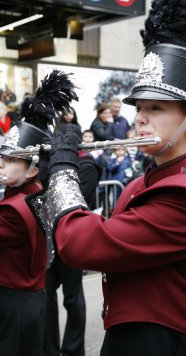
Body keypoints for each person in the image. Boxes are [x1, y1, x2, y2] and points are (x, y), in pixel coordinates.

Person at [27, 0, 186, 355]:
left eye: (156, 109)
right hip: (132, 334)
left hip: (159, 342)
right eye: (140, 109)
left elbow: (82, 244)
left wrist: (64, 170)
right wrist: (42, 172)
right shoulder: (152, 181)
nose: (141, 119)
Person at [0, 69, 77, 356]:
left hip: (13, 301)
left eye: (10, 160)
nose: (2, 165)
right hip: (30, 299)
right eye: (2, 158)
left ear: (33, 168)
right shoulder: (32, 193)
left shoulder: (13, 210)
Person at [43, 126, 101, 356]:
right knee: (46, 299)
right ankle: (49, 349)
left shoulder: (87, 167)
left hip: (71, 240)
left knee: (73, 298)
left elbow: (71, 200)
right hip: (48, 240)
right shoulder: (47, 165)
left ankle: (73, 350)